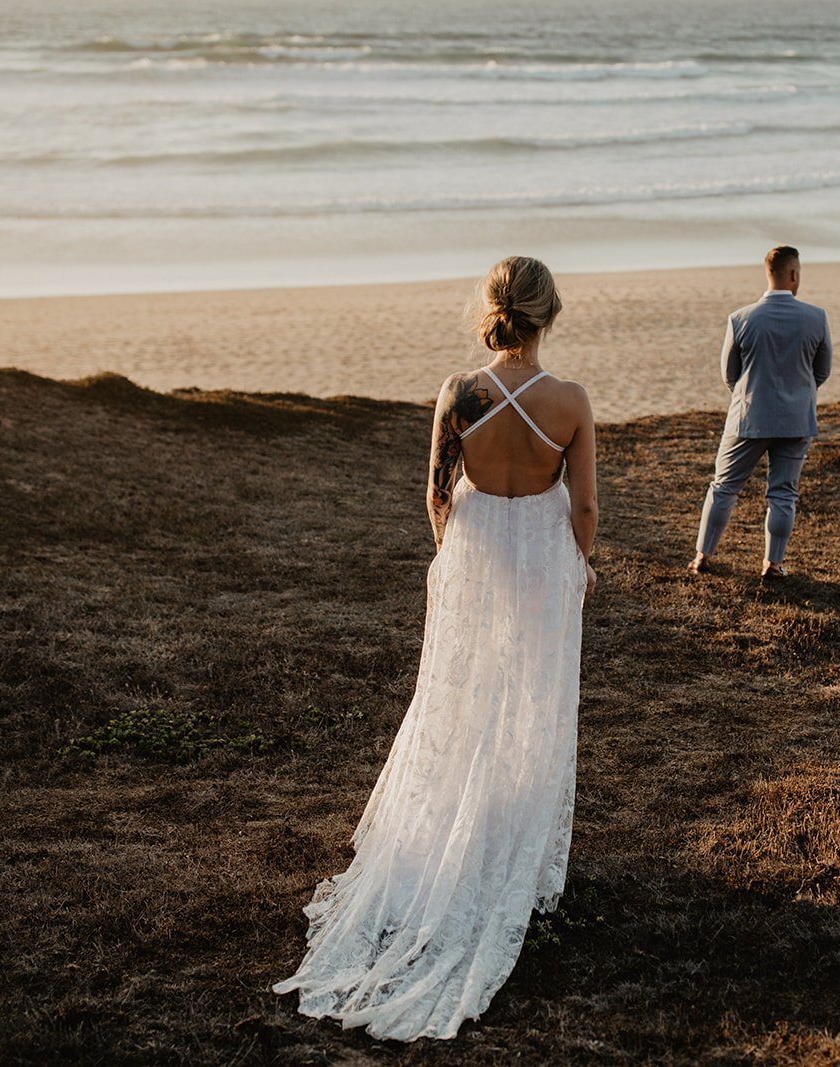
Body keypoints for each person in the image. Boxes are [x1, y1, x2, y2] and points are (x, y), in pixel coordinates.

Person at [272, 256, 596, 1041]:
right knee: (529, 695)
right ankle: (504, 832)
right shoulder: (571, 401)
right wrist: (580, 565)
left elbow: (436, 491)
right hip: (540, 558)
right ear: (549, 314)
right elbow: (583, 503)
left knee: (461, 696)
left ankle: (454, 830)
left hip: (478, 548)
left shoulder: (460, 393)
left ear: (492, 310)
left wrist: (452, 556)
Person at [689, 245, 832, 580]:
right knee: (783, 493)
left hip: (749, 415)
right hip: (797, 419)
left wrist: (751, 394)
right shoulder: (816, 317)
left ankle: (702, 556)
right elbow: (822, 372)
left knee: (724, 486)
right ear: (793, 274)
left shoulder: (741, 318)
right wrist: (798, 394)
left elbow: (729, 374)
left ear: (768, 274)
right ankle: (774, 563)